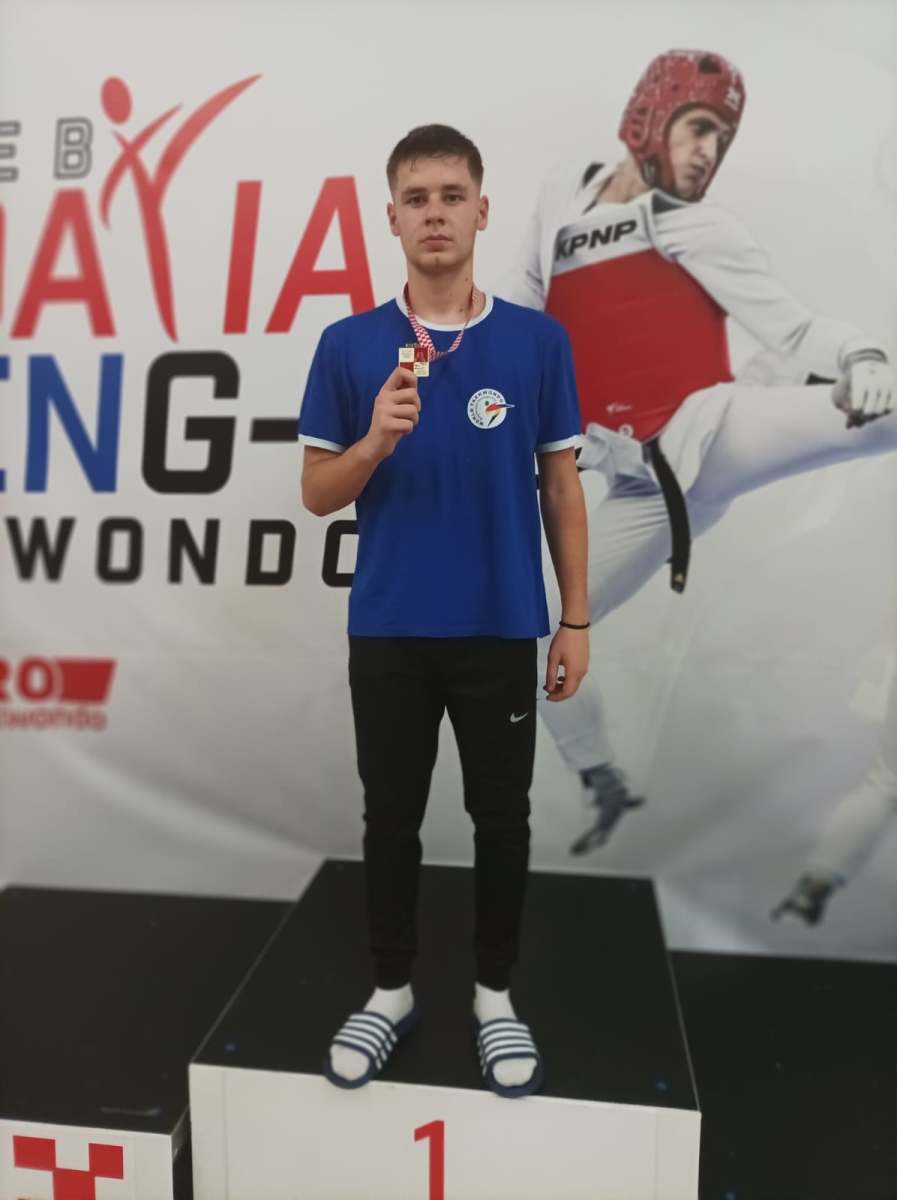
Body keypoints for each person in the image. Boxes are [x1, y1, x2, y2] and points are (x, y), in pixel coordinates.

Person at [506, 48, 896, 855]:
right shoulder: (564, 189)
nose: (708, 151)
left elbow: (793, 327)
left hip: (709, 433)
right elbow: (522, 306)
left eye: (721, 137)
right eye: (697, 127)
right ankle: (601, 777)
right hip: (641, 488)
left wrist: (861, 355)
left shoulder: (700, 227)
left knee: (870, 414)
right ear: (648, 116)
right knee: (527, 630)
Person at [298, 124, 588, 1098]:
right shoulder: (348, 345)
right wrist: (373, 442)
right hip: (389, 627)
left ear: (481, 211)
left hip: (501, 624)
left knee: (501, 818)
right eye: (416, 198)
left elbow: (561, 486)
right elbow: (317, 493)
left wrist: (575, 618)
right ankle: (389, 992)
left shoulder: (537, 342)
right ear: (391, 217)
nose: (435, 213)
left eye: (451, 195)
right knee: (390, 817)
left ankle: (493, 996)